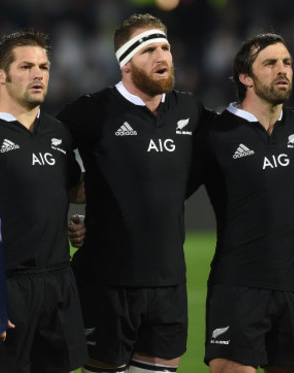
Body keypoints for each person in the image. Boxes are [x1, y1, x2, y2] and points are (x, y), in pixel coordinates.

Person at [57, 13, 216, 373]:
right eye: (149, 50)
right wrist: (73, 206)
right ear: (126, 63)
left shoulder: (190, 110)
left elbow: (240, 133)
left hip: (169, 284)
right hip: (105, 282)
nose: (162, 57)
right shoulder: (92, 111)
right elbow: (43, 156)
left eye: (166, 48)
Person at [192, 33, 294, 373]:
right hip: (237, 284)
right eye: (269, 64)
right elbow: (167, 191)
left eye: (287, 62)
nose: (282, 70)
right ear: (245, 77)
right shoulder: (215, 132)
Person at [0, 30, 88, 373]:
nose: (38, 74)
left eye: (44, 66)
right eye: (27, 66)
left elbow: (73, 191)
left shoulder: (58, 132)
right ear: (0, 76)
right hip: (2, 286)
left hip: (57, 285)